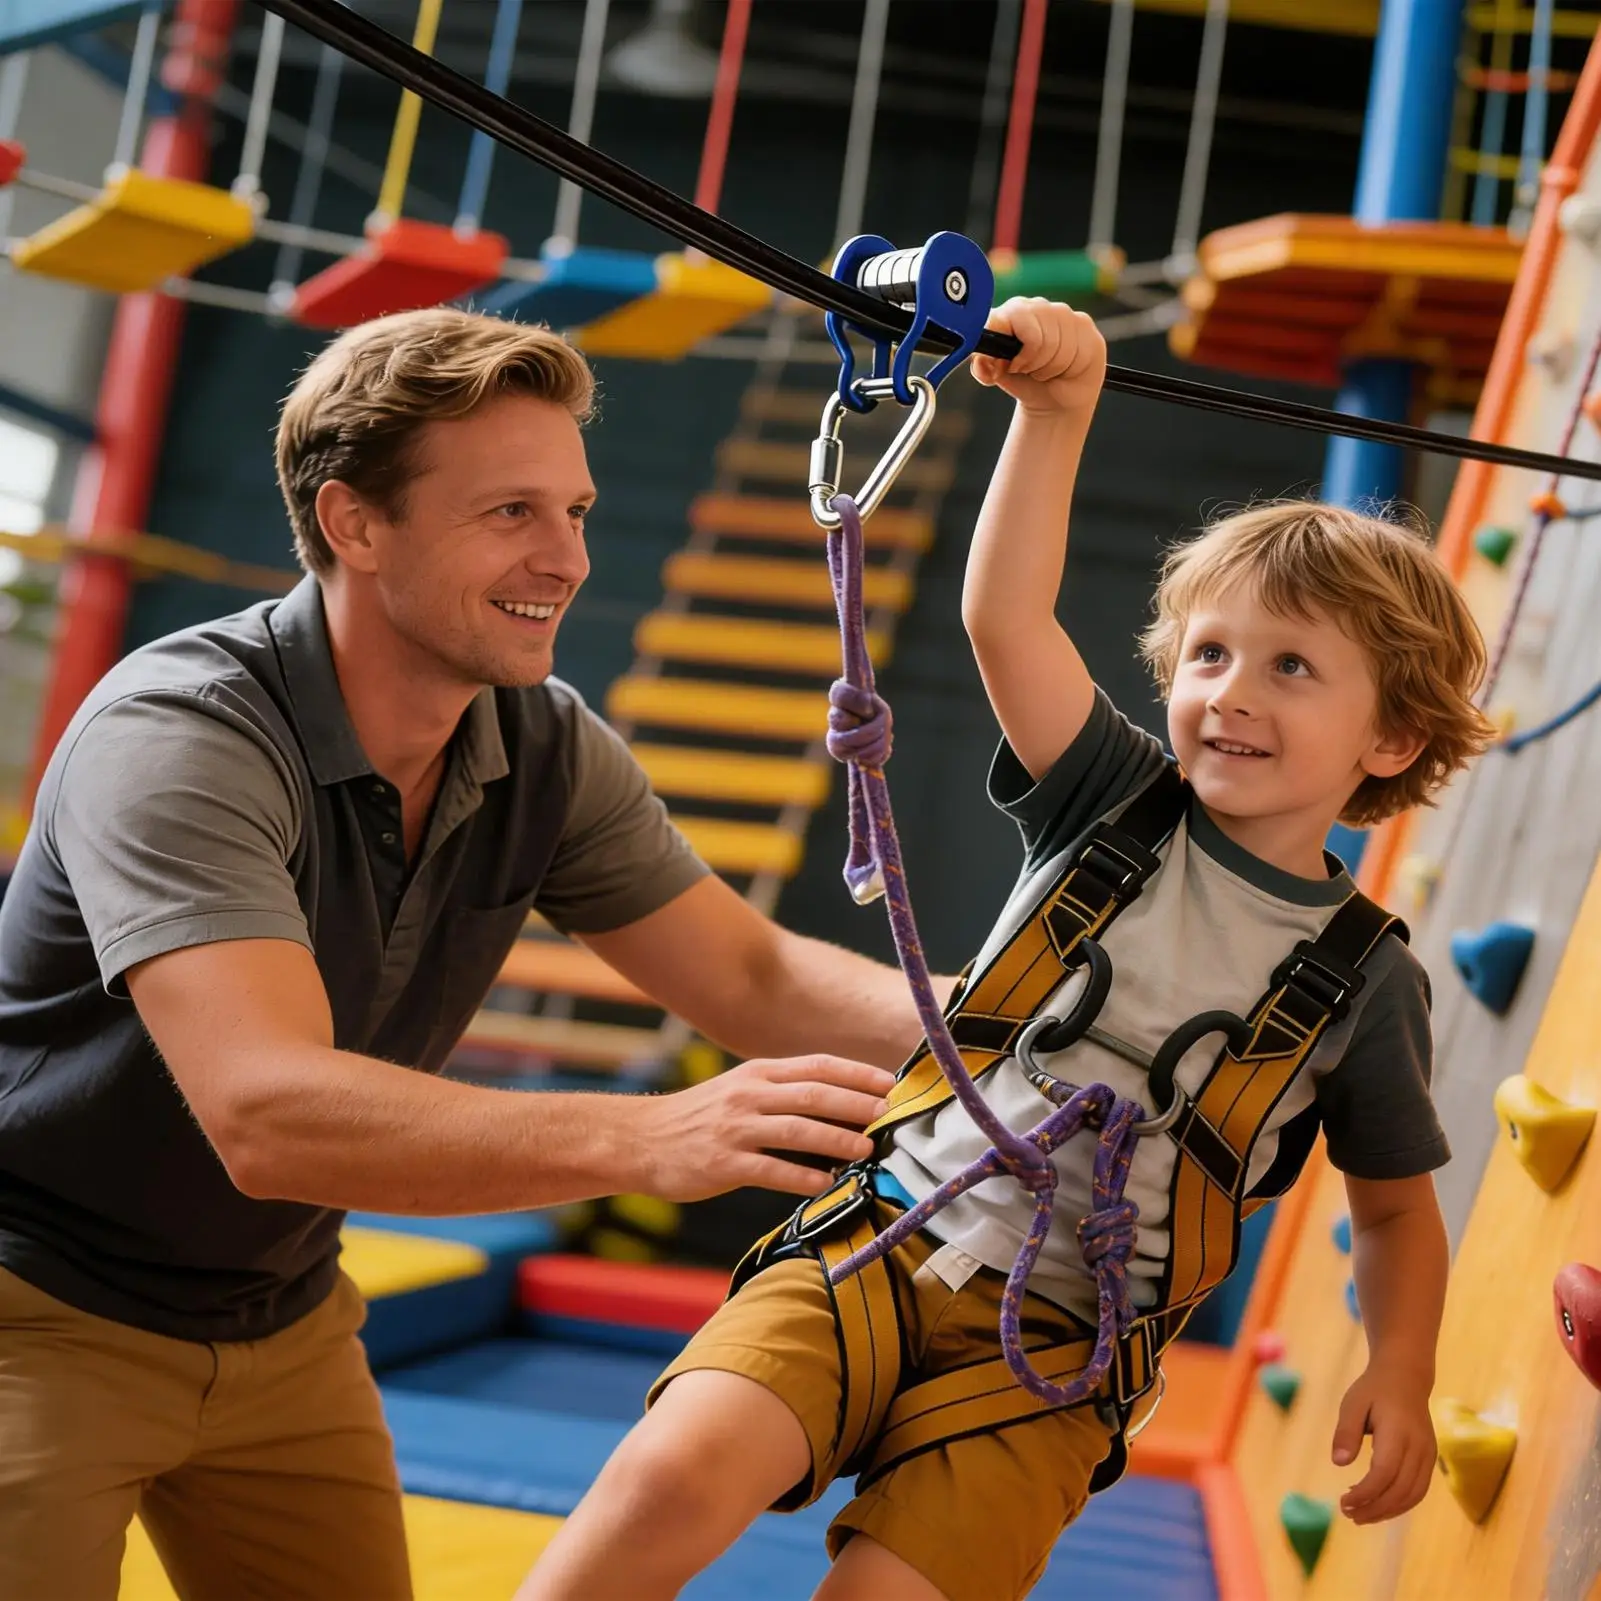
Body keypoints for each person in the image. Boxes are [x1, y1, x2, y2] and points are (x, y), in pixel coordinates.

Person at [519, 297, 1496, 1601]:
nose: (1232, 692)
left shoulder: (1365, 979)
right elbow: (1008, 621)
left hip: (1059, 1357)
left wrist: (1402, 1369)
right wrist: (1054, 413)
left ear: (1391, 742)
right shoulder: (1111, 799)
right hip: (881, 1245)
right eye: (1208, 653)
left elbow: (1392, 1208)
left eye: (1292, 668)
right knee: (669, 1473)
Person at [0, 307, 954, 1601]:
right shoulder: (184, 738)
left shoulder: (541, 745)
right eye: (511, 512)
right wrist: (648, 1138)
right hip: (37, 1315)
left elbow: (758, 980)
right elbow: (266, 1112)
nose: (566, 558)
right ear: (355, 524)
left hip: (280, 1322)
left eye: (575, 509)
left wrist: (1042, 1028)